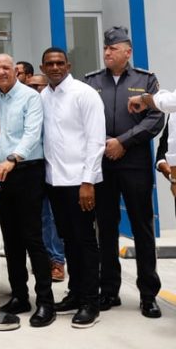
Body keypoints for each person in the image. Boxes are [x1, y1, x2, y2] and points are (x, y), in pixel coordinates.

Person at [84, 26, 164, 318]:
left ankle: (148, 295)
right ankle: (109, 290)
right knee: (105, 228)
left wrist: (123, 142)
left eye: (113, 48)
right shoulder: (91, 81)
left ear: (127, 52)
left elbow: (156, 118)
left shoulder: (146, 79)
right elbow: (85, 118)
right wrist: (107, 144)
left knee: (142, 228)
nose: (107, 52)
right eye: (105, 48)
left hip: (134, 164)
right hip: (102, 163)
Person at [40, 47, 105, 328]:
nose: (55, 68)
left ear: (68, 65)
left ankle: (91, 300)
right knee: (68, 240)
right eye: (49, 64)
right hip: (54, 181)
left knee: (85, 241)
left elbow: (96, 139)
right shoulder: (43, 96)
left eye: (59, 63)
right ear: (43, 68)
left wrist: (88, 181)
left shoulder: (84, 93)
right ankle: (76, 293)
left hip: (80, 182)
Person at [0, 53, 56, 328]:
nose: (1, 72)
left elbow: (32, 133)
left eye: (6, 67)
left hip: (26, 170)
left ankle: (45, 302)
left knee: (32, 238)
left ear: (15, 71)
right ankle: (20, 296)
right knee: (11, 240)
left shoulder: (31, 97)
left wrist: (13, 158)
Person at [25, 72, 65, 281]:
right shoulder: (28, 106)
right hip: (33, 171)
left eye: (38, 86)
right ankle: (43, 261)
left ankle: (57, 261)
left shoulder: (53, 107)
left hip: (57, 171)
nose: (35, 91)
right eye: (30, 86)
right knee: (39, 218)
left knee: (53, 218)